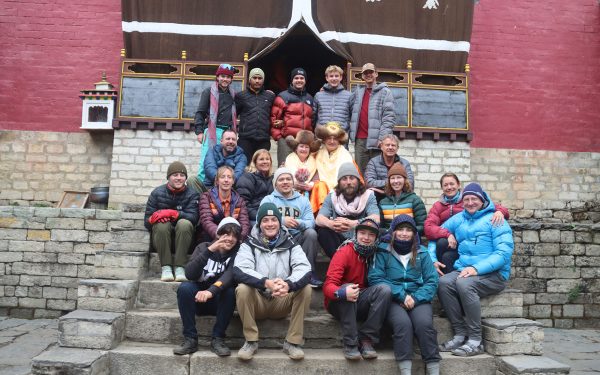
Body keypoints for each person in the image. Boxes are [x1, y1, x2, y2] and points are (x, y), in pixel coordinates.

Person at [436, 182, 514, 357]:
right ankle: (459, 334)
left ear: (482, 199)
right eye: (467, 199)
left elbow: (503, 253)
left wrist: (476, 269)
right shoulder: (460, 218)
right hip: (466, 269)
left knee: (464, 285)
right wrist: (434, 258)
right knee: (443, 282)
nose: (470, 202)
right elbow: (435, 232)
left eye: (474, 199)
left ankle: (475, 340)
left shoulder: (496, 219)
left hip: (494, 274)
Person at [233, 202, 312, 361]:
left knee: (306, 288)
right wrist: (266, 282)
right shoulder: (249, 243)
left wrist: (288, 284)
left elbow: (304, 268)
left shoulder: (291, 243)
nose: (270, 224)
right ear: (259, 223)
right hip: (258, 302)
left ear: (279, 222)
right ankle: (251, 341)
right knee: (242, 288)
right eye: (265, 220)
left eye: (274, 219)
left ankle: (292, 342)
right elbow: (240, 269)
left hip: (281, 300)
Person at [368, 215, 440, 375]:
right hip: (393, 300)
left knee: (424, 325)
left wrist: (414, 298)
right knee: (403, 325)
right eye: (400, 229)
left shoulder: (422, 253)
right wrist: (401, 295)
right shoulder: (383, 250)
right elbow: (375, 277)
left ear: (414, 234)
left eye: (409, 230)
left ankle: (434, 369)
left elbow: (432, 281)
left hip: (418, 298)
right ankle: (405, 371)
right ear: (393, 231)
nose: (404, 233)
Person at [323, 218, 391, 361]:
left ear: (376, 238)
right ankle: (350, 343)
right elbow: (328, 285)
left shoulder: (377, 254)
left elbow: (392, 235)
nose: (366, 238)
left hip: (362, 300)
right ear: (356, 234)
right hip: (338, 302)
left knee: (384, 290)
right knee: (349, 288)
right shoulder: (345, 252)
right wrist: (341, 292)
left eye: (371, 235)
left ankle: (366, 339)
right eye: (362, 233)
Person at [173, 217, 241, 357]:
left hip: (220, 302)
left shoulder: (238, 253)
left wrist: (211, 291)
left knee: (230, 292)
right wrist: (210, 250)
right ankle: (190, 339)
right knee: (185, 288)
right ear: (218, 234)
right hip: (199, 301)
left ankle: (218, 338)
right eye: (226, 234)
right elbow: (190, 274)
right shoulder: (203, 247)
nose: (230, 238)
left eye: (234, 235)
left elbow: (230, 275)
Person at [425, 173, 510, 275]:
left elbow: (491, 206)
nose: (449, 187)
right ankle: (443, 277)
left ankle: (456, 279)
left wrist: (500, 211)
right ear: (442, 188)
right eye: (445, 185)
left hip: (468, 240)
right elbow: (429, 227)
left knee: (448, 255)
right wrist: (447, 234)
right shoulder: (437, 206)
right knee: (442, 246)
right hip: (449, 241)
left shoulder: (468, 199)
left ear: (458, 185)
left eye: (452, 184)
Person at [260, 167, 322, 288]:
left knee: (311, 233)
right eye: (281, 179)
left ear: (293, 182)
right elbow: (260, 219)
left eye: (288, 179)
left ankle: (308, 273)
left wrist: (298, 223)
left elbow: (311, 222)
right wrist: (282, 221)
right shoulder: (268, 200)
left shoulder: (303, 200)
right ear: (275, 184)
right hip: (277, 237)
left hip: (298, 236)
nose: (285, 182)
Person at [144, 161, 199, 282]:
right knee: (161, 224)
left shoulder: (192, 194)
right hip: (162, 240)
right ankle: (166, 267)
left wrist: (173, 214)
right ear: (168, 177)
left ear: (185, 178)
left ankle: (180, 267)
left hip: (184, 240)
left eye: (182, 175)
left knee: (184, 223)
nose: (179, 178)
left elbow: (194, 218)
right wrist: (154, 218)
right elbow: (147, 222)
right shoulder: (157, 193)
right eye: (175, 175)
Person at [316, 162, 379, 257]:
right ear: (339, 182)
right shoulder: (332, 196)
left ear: (358, 180)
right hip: (338, 241)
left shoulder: (368, 196)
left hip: (361, 239)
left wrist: (353, 224)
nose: (348, 182)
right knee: (323, 231)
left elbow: (376, 218)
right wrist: (331, 224)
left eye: (352, 178)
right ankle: (338, 262)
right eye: (344, 179)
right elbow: (319, 218)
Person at [349, 63, 396, 175]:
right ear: (362, 76)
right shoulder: (357, 93)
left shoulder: (385, 92)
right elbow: (348, 110)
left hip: (377, 141)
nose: (368, 75)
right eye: (365, 73)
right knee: (360, 174)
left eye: (371, 72)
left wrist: (383, 138)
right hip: (360, 140)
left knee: (378, 173)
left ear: (376, 74)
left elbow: (389, 117)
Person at [194, 63, 237, 182]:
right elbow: (200, 113)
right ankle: (201, 192)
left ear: (231, 79)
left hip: (227, 133)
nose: (225, 79)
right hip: (212, 131)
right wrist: (199, 131)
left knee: (224, 164)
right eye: (222, 76)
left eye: (228, 77)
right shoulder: (208, 92)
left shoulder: (233, 94)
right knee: (206, 162)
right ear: (217, 77)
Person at [271, 67, 315, 166]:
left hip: (304, 142)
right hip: (286, 140)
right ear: (292, 80)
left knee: (303, 170)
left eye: (301, 78)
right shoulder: (283, 97)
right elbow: (274, 119)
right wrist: (279, 138)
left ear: (305, 80)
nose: (299, 80)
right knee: (285, 168)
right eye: (296, 78)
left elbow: (312, 120)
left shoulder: (310, 98)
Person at [198, 166, 250, 242]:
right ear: (217, 181)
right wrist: (220, 235)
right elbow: (206, 221)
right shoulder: (207, 197)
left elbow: (244, 223)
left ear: (233, 181)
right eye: (222, 177)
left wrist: (238, 238)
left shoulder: (239, 200)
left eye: (229, 177)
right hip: (212, 237)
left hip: (233, 238)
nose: (226, 180)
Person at [235, 68, 275, 161]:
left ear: (263, 80)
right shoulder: (241, 96)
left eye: (260, 78)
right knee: (244, 166)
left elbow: (274, 115)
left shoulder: (270, 96)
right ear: (249, 79)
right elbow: (233, 116)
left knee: (262, 166)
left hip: (263, 139)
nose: (257, 81)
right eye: (254, 78)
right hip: (245, 138)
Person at [283, 130, 327, 213]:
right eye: (301, 146)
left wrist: (311, 184)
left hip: (308, 193)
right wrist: (294, 184)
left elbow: (317, 176)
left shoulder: (313, 161)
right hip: (291, 191)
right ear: (296, 148)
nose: (304, 149)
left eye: (307, 147)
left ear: (310, 149)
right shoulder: (289, 159)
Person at [378, 163, 427, 234]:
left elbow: (422, 226)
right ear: (389, 181)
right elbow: (380, 226)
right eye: (392, 178)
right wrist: (387, 232)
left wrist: (407, 232)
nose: (395, 181)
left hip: (409, 240)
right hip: (388, 240)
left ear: (405, 180)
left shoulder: (415, 200)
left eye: (399, 177)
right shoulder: (383, 202)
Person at [365, 134, 414, 200]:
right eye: (387, 145)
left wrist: (386, 188)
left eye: (393, 145)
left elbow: (410, 183)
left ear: (397, 148)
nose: (390, 147)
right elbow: (369, 182)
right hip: (379, 197)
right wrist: (395, 183)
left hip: (400, 197)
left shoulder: (405, 163)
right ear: (381, 147)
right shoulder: (373, 162)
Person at [235, 149, 274, 226]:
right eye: (261, 159)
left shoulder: (273, 178)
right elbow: (244, 203)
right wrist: (260, 216)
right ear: (255, 162)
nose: (265, 161)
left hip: (271, 215)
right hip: (254, 217)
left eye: (267, 159)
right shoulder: (247, 177)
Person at [314, 121, 355, 191]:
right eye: (329, 138)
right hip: (321, 191)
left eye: (335, 138)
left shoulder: (345, 155)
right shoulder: (317, 154)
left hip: (340, 191)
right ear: (324, 140)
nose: (332, 141)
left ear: (339, 140)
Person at [313, 65, 354, 133]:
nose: (334, 78)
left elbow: (352, 117)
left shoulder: (349, 95)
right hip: (322, 134)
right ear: (327, 78)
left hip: (341, 135)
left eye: (336, 76)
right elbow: (313, 117)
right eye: (331, 76)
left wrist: (346, 128)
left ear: (341, 77)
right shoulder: (318, 95)